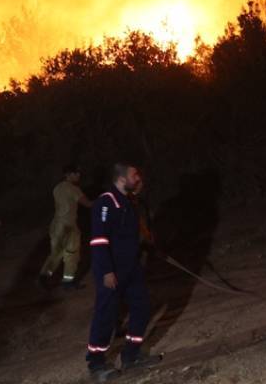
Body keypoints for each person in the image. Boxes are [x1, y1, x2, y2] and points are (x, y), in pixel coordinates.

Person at [86, 163, 160, 381]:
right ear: (121, 178)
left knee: (142, 308)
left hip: (132, 269)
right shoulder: (106, 203)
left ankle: (131, 356)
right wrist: (106, 271)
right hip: (111, 271)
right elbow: (99, 240)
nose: (138, 178)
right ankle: (96, 363)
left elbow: (133, 235)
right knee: (106, 316)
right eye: (134, 175)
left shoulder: (129, 203)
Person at [39, 163, 93, 290]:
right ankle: (67, 282)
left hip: (56, 224)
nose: (78, 175)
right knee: (72, 254)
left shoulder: (57, 188)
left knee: (56, 253)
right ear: (68, 174)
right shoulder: (73, 189)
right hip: (68, 226)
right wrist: (104, 200)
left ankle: (44, 277)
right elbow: (88, 204)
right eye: (76, 173)